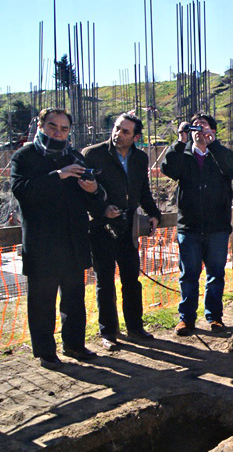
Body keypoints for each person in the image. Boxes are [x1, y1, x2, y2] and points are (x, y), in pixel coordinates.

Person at [11, 108, 104, 369]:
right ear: (41, 126)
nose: (58, 133)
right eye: (53, 126)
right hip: (42, 245)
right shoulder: (24, 156)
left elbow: (93, 200)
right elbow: (21, 191)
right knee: (42, 303)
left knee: (74, 300)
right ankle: (46, 352)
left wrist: (93, 189)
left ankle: (74, 345)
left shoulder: (74, 155)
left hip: (73, 242)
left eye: (64, 129)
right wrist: (58, 175)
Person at [82, 113, 162, 351]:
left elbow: (143, 190)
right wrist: (102, 210)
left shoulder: (140, 158)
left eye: (125, 131)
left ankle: (135, 327)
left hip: (128, 228)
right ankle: (108, 332)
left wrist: (154, 213)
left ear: (136, 137)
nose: (118, 134)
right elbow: (82, 193)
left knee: (131, 280)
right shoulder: (93, 154)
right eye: (117, 128)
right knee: (105, 283)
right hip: (101, 228)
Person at [161, 113, 233, 335]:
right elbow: (168, 169)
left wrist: (213, 144)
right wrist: (180, 141)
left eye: (204, 126)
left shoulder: (220, 154)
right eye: (195, 127)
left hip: (217, 227)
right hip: (189, 227)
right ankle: (186, 319)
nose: (199, 130)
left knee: (215, 274)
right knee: (188, 275)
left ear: (213, 131)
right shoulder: (184, 155)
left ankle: (214, 317)